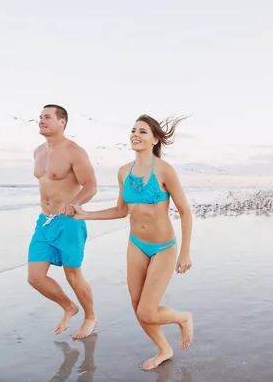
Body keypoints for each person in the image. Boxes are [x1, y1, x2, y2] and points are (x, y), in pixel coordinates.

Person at [72, 114, 194, 371]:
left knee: (147, 312)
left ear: (154, 139)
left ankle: (183, 317)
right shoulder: (123, 172)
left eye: (142, 132)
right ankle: (164, 349)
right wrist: (86, 214)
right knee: (138, 307)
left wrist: (185, 252)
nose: (135, 135)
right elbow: (120, 210)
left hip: (163, 247)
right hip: (136, 243)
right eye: (133, 130)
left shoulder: (164, 170)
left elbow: (185, 211)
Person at [27, 104, 98, 340]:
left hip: (69, 221)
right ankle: (69, 307)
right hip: (45, 222)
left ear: (62, 122)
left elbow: (90, 185)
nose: (41, 120)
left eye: (47, 117)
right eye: (40, 117)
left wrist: (74, 203)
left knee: (73, 275)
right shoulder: (38, 151)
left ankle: (90, 316)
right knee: (35, 277)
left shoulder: (74, 151)